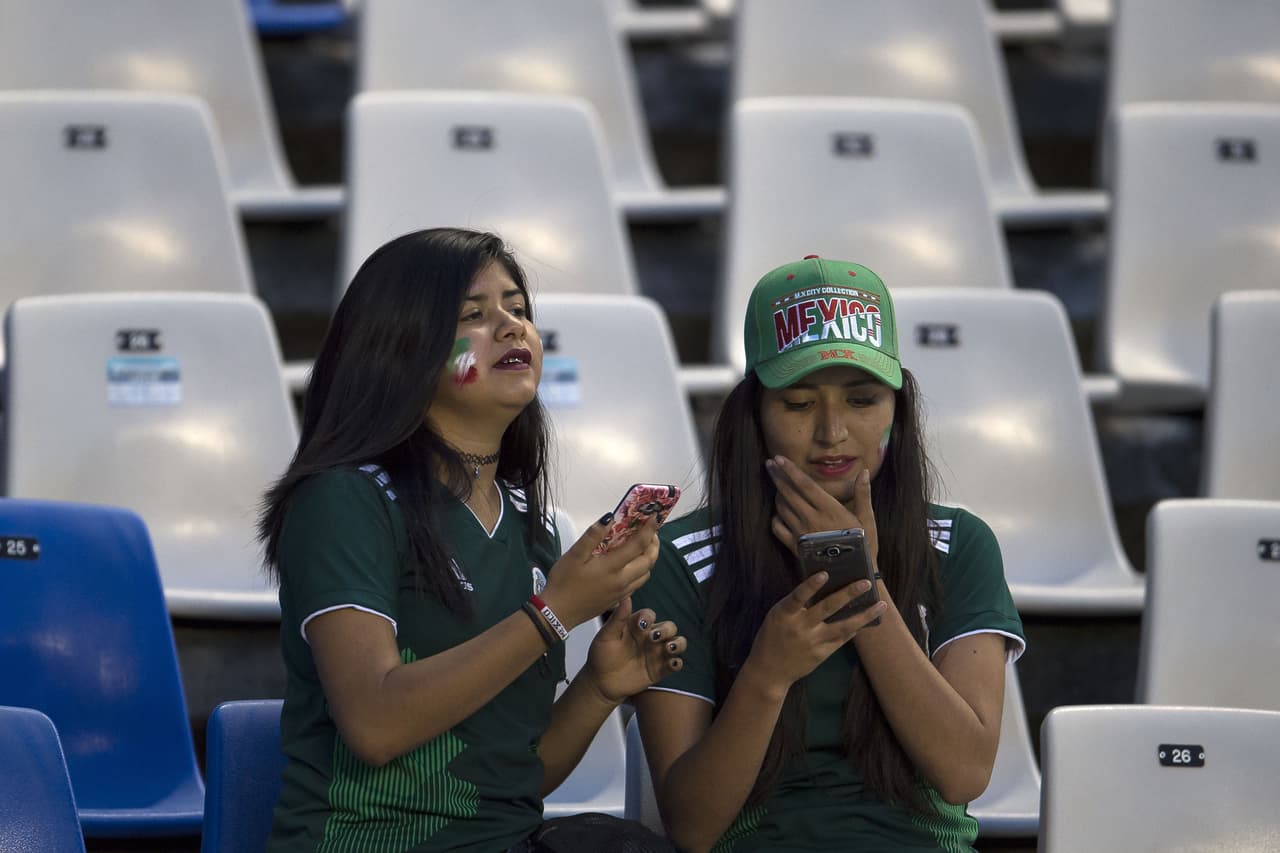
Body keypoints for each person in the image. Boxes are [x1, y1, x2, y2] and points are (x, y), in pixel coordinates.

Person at [258, 227, 685, 853]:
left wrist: (598, 685)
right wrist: (553, 613)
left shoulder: (529, 524)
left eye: (518, 309)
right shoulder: (343, 499)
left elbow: (516, 779)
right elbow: (375, 724)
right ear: (400, 347)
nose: (512, 327)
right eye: (474, 315)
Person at [631, 256, 1025, 853]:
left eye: (863, 400)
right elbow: (691, 825)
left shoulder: (958, 544)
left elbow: (964, 772)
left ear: (899, 409)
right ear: (754, 414)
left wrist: (862, 586)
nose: (833, 432)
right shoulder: (683, 558)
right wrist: (768, 671)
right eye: (798, 404)